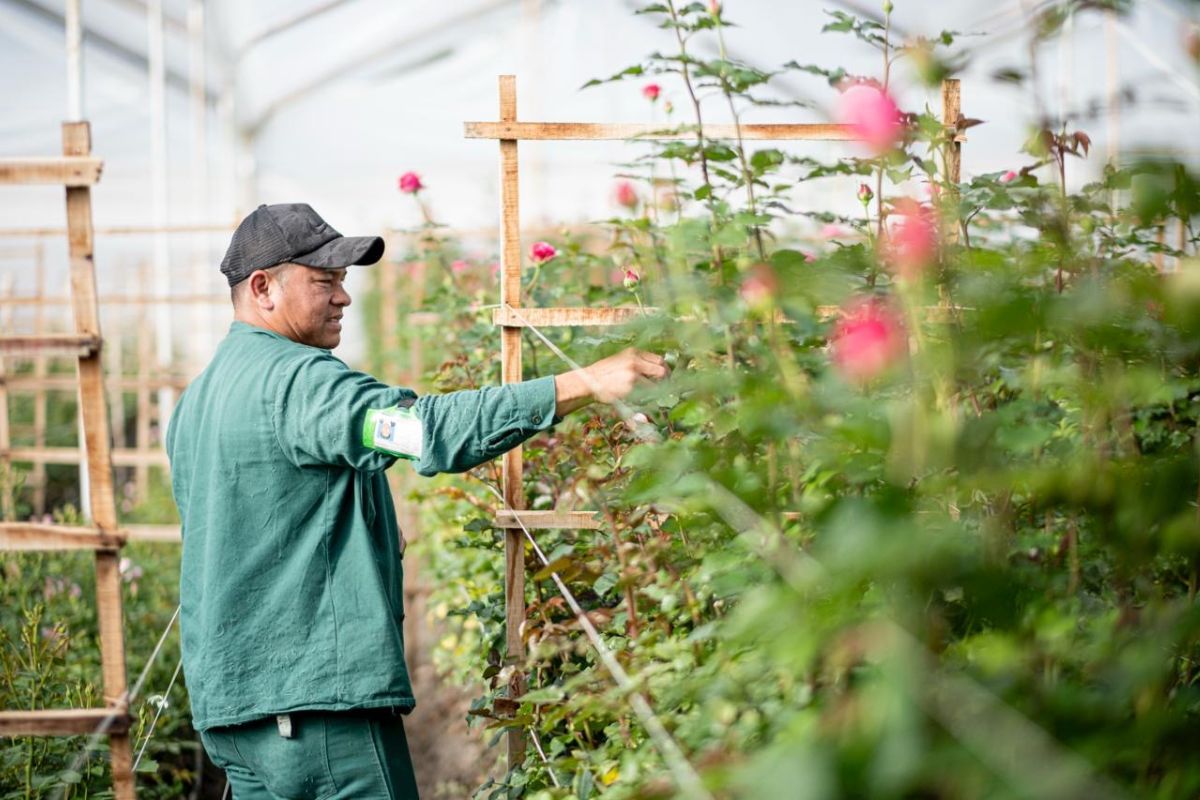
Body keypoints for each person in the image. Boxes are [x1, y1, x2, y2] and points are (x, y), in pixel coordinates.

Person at [165, 203, 668, 799]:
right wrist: (581, 383)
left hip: (234, 715)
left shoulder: (198, 401)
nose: (343, 298)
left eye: (344, 282)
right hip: (321, 710)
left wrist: (370, 525)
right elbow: (423, 430)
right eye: (324, 281)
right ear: (262, 287)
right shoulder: (301, 382)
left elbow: (268, 515)